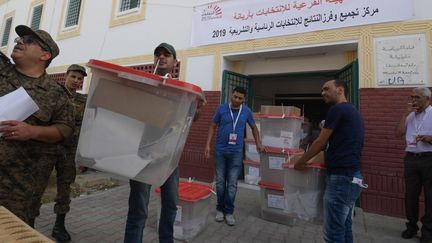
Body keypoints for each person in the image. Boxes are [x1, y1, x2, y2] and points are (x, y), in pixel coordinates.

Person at [0, 25, 74, 225]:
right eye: (20, 39)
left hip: (16, 188)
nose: (19, 41)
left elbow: (65, 129)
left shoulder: (56, 93)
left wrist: (32, 131)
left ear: (45, 55)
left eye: (29, 40)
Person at [293, 79, 365, 243]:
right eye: (322, 90)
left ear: (340, 90)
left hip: (341, 178)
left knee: (333, 233)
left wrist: (301, 162)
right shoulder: (350, 110)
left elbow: (320, 143)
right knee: (344, 227)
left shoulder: (337, 109)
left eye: (326, 89)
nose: (322, 93)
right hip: (351, 176)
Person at [124, 43, 180, 243]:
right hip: (143, 153)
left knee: (171, 204)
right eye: (158, 55)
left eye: (166, 55)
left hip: (169, 156)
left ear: (174, 61)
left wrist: (197, 109)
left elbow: (189, 120)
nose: (161, 58)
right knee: (138, 207)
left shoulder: (182, 91)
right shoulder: (145, 85)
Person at [204, 86, 264, 226]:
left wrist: (258, 144)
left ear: (244, 100)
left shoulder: (247, 111)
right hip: (220, 151)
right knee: (220, 182)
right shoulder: (221, 109)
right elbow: (213, 125)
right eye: (235, 96)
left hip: (236, 152)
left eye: (240, 98)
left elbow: (254, 128)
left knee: (231, 184)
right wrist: (207, 145)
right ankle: (220, 210)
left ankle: (229, 212)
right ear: (231, 95)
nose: (236, 100)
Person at [53, 64, 88, 242]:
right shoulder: (54, 93)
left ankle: (59, 225)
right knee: (37, 185)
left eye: (80, 79)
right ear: (66, 76)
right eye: (73, 76)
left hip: (69, 151)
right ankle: (30, 221)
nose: (76, 81)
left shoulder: (83, 101)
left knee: (65, 187)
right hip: (48, 148)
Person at [395, 87, 432, 243]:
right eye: (412, 97)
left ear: (427, 99)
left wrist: (430, 138)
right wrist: (404, 114)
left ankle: (428, 231)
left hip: (429, 158)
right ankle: (411, 226)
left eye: (417, 97)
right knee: (410, 196)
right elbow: (398, 133)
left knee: (430, 197)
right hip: (410, 159)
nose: (413, 100)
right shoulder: (410, 115)